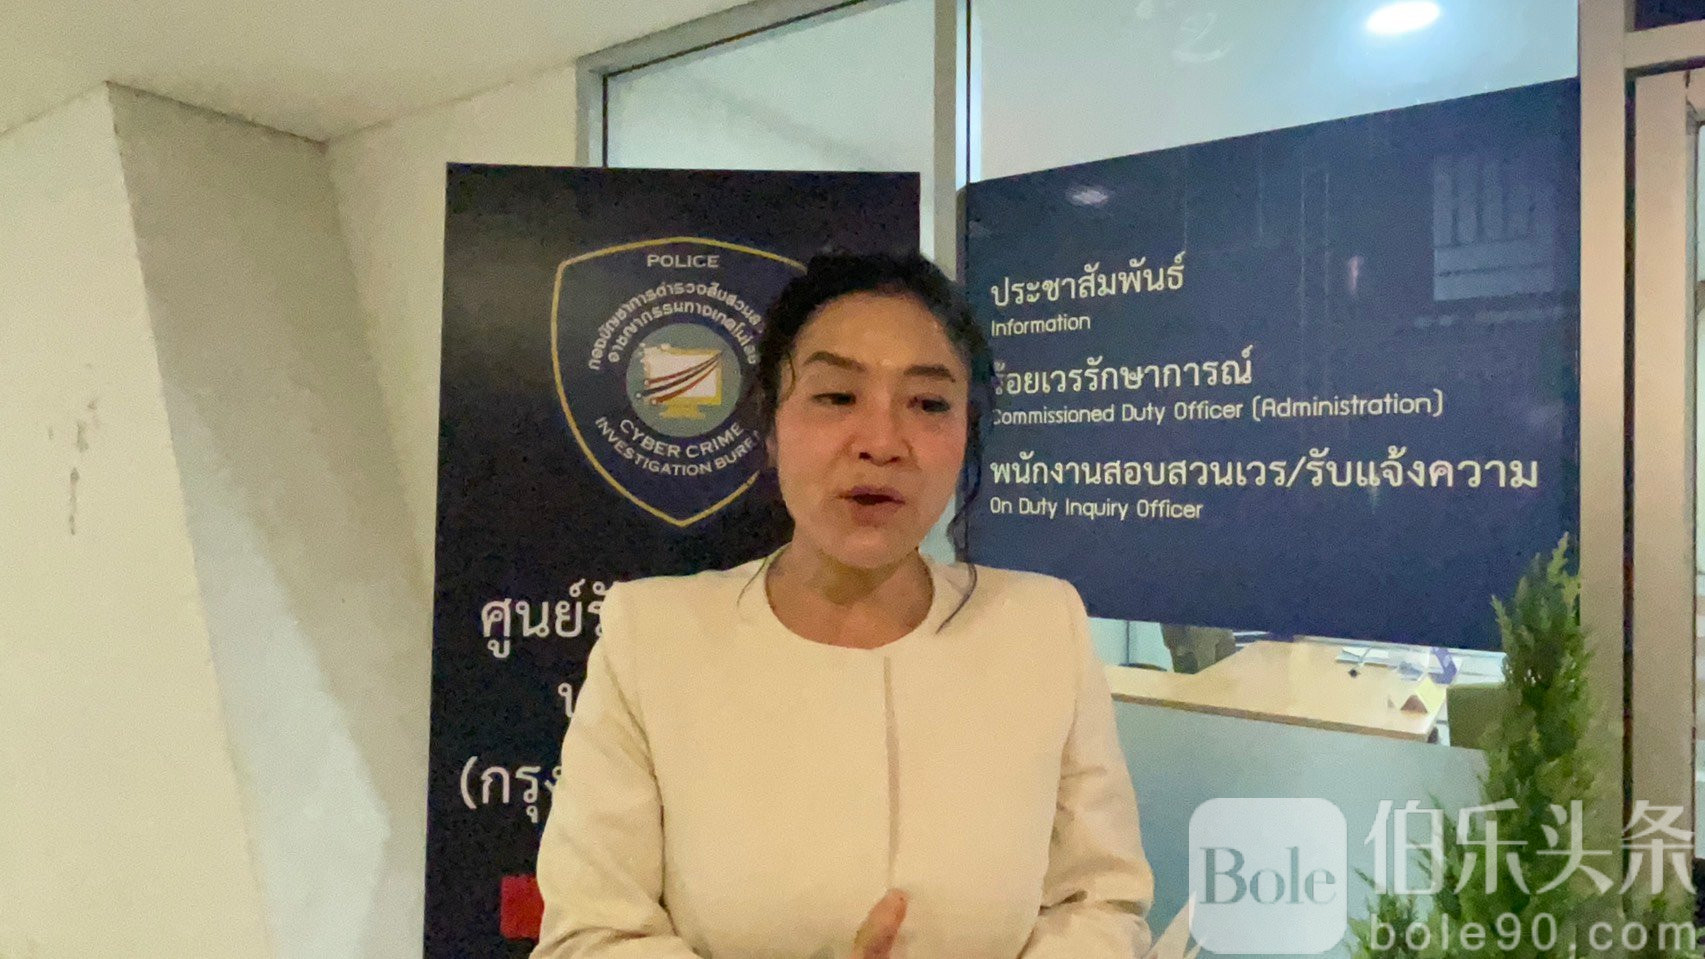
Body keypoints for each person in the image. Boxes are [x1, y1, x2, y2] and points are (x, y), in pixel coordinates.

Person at [532, 252, 1154, 959]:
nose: (881, 443)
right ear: (770, 424)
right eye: (835, 397)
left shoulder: (1040, 626)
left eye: (928, 404)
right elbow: (592, 936)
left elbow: (1099, 903)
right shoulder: (654, 637)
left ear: (966, 435)